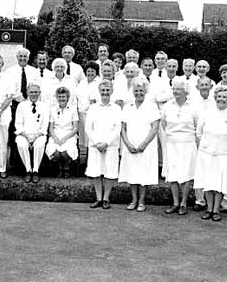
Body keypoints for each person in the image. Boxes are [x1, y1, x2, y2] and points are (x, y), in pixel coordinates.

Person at [194, 85, 227, 221]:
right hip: (206, 154)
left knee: (220, 184)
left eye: (224, 97)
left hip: (223, 155)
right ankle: (208, 209)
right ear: (215, 98)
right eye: (219, 96)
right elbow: (199, 132)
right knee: (208, 183)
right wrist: (206, 147)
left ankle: (216, 210)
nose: (221, 99)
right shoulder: (206, 113)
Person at [118, 78, 160, 212]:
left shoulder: (152, 106)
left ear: (145, 91)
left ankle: (142, 201)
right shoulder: (127, 107)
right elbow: (123, 128)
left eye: (141, 90)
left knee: (143, 173)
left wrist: (143, 145)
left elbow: (155, 128)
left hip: (146, 146)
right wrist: (127, 144)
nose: (138, 93)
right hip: (130, 146)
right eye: (136, 90)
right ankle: (134, 200)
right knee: (132, 173)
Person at [160, 79, 199, 215]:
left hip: (188, 144)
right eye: (174, 89)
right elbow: (164, 123)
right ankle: (175, 203)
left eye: (178, 89)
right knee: (173, 174)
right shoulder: (167, 106)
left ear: (185, 91)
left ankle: (184, 203)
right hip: (172, 143)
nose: (175, 91)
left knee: (186, 173)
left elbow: (197, 125)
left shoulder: (193, 106)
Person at [85, 79, 122, 209]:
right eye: (103, 90)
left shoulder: (116, 108)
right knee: (96, 171)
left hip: (110, 146)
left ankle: (106, 198)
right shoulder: (93, 108)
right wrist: (97, 142)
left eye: (107, 90)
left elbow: (117, 128)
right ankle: (98, 198)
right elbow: (88, 128)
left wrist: (106, 143)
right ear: (99, 92)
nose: (105, 92)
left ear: (111, 91)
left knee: (109, 172)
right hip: (96, 146)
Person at [15, 82, 49, 183]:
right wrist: (26, 136)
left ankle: (35, 171)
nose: (33, 94)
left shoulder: (44, 106)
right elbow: (18, 124)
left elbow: (44, 126)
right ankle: (28, 170)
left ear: (39, 93)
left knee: (39, 145)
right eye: (31, 92)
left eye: (36, 92)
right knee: (21, 144)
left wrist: (35, 137)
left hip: (39, 135)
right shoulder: (21, 105)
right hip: (24, 134)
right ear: (27, 93)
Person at [46, 87, 79, 178]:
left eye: (63, 97)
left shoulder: (73, 109)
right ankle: (60, 167)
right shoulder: (53, 109)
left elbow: (75, 128)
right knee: (56, 152)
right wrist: (55, 138)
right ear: (56, 98)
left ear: (67, 97)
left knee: (65, 152)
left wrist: (65, 138)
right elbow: (51, 128)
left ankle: (67, 167)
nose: (61, 99)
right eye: (59, 97)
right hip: (56, 134)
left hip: (69, 134)